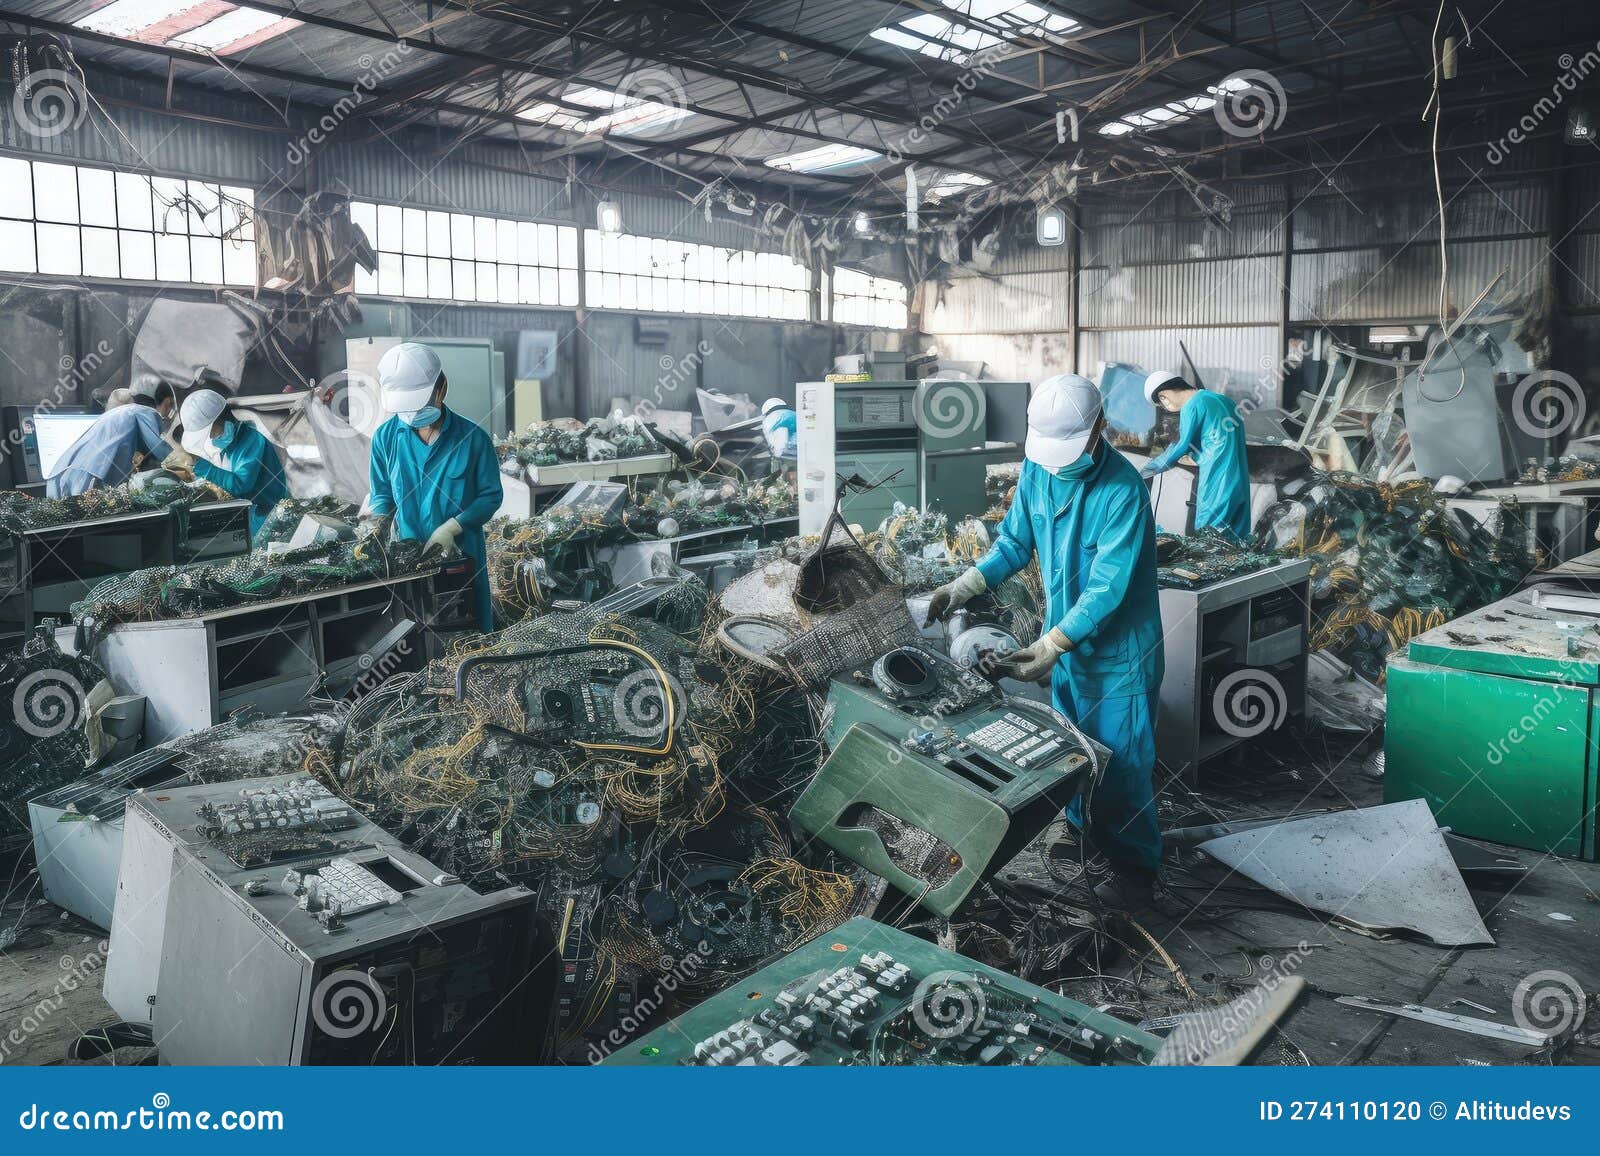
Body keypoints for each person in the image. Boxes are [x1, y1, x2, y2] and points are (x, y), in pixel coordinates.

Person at [925, 374, 1164, 909]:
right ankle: (1084, 832)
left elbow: (1107, 587)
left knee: (1121, 761)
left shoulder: (1123, 489)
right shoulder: (1038, 468)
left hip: (1119, 651)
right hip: (1067, 641)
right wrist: (964, 585)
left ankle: (1134, 871)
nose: (1057, 464)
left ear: (1099, 428)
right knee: (1073, 748)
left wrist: (1054, 643)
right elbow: (1014, 541)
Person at [367, 342, 502, 632]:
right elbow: (382, 493)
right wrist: (377, 526)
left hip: (462, 556)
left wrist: (452, 527)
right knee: (414, 638)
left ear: (441, 387)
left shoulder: (473, 439)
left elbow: (490, 496)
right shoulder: (385, 439)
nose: (414, 413)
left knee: (467, 634)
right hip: (408, 562)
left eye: (422, 401)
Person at [1138, 371, 1251, 540]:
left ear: (1163, 396)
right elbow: (1219, 440)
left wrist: (1145, 471)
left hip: (1217, 481)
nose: (1165, 408)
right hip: (1240, 482)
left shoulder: (1192, 406)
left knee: (1209, 537)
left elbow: (1181, 446)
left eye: (1162, 404)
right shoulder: (1224, 401)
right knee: (1237, 540)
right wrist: (1198, 457)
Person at [162, 388, 288, 535]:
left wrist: (200, 466)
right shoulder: (229, 443)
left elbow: (240, 485)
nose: (212, 437)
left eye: (212, 431)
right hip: (249, 513)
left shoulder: (253, 439)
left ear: (222, 419)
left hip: (270, 515)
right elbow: (224, 478)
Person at [45, 373, 176, 497]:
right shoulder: (145, 412)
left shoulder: (115, 413)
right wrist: (186, 463)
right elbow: (161, 451)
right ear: (168, 402)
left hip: (62, 476)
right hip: (91, 478)